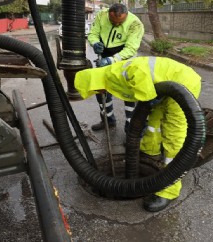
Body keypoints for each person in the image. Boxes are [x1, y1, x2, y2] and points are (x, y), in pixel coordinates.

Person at [74, 56, 202, 212]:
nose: (98, 92)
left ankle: (170, 190)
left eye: (94, 90)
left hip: (182, 83)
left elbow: (139, 73)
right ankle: (150, 151)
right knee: (153, 123)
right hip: (165, 83)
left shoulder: (115, 76)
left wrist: (147, 99)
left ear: (93, 83)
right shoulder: (109, 77)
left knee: (174, 135)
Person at [87, 3, 144, 131]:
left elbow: (131, 48)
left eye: (120, 22)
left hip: (125, 58)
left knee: (128, 92)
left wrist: (112, 60)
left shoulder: (135, 24)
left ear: (126, 15)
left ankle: (130, 127)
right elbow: (93, 33)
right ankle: (108, 121)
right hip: (104, 53)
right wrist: (95, 42)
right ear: (109, 14)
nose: (117, 24)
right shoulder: (101, 15)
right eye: (113, 21)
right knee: (101, 89)